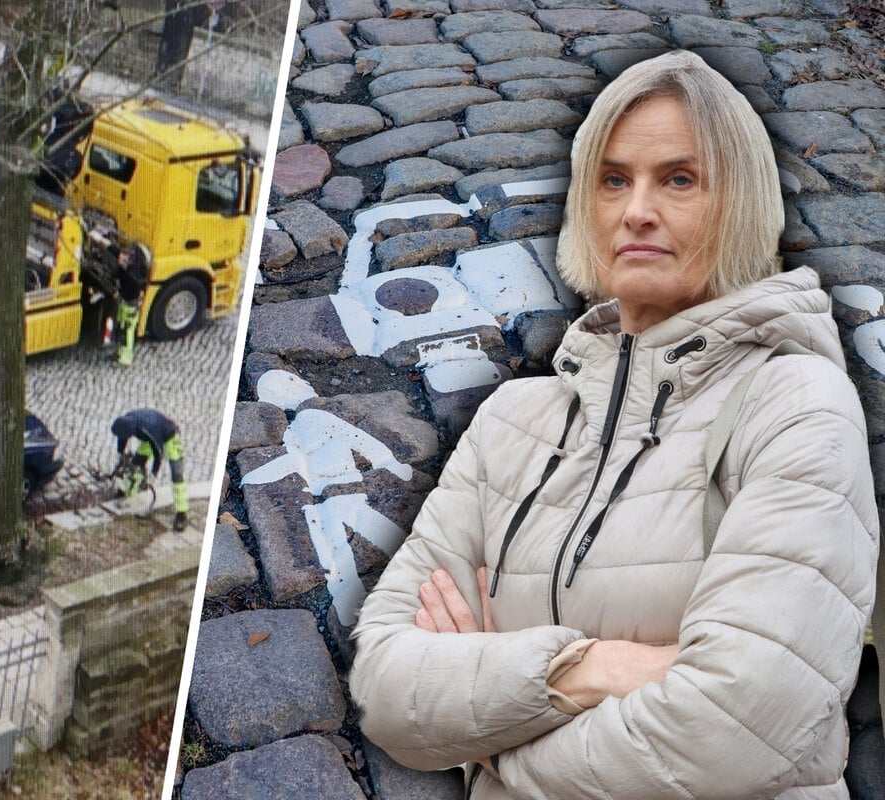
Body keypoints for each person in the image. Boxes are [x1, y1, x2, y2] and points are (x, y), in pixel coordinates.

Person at [349, 50, 878, 800]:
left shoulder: (794, 403)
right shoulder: (511, 422)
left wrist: (493, 744)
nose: (637, 210)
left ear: (744, 204)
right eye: (614, 179)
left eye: (680, 179)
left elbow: (734, 728)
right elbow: (382, 691)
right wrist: (591, 672)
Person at [111, 408, 189, 532]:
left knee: (177, 474)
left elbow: (158, 453)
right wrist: (120, 455)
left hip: (169, 437)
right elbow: (122, 437)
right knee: (136, 465)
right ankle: (125, 491)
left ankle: (182, 513)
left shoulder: (146, 428)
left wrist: (154, 475)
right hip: (150, 440)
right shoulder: (125, 421)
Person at [88, 228, 151, 366]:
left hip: (130, 306)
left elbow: (120, 284)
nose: (120, 259)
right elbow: (113, 249)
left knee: (127, 333)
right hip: (126, 304)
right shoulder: (132, 268)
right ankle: (117, 350)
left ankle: (125, 358)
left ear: (129, 261)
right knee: (119, 327)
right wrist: (98, 238)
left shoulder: (130, 278)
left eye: (123, 258)